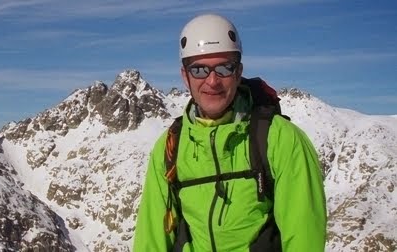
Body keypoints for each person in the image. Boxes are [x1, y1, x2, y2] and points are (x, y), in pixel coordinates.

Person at [133, 13, 327, 251]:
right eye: (199, 70)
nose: (212, 81)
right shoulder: (170, 146)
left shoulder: (280, 139)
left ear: (238, 72)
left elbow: (303, 238)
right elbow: (151, 239)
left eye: (224, 68)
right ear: (185, 76)